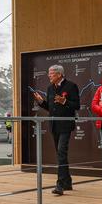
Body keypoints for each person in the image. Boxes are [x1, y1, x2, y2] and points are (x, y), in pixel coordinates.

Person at [33, 64, 80, 196]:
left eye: (51, 73)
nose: (49, 75)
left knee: (61, 153)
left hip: (65, 125)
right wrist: (42, 102)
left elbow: (77, 105)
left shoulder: (71, 86)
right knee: (61, 155)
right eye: (49, 73)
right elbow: (51, 108)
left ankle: (60, 184)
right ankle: (68, 182)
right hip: (54, 125)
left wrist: (65, 101)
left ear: (59, 74)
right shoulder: (50, 88)